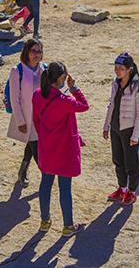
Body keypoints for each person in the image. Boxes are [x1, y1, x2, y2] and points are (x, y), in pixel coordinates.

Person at [32, 61, 89, 237]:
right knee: (65, 188)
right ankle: (68, 226)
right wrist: (74, 88)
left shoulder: (37, 94)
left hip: (47, 147)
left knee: (45, 183)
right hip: (64, 150)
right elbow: (84, 105)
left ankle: (44, 220)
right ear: (62, 78)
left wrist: (44, 137)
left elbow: (36, 121)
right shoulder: (64, 101)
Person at [103, 53, 139, 206]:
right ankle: (122, 188)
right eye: (116, 67)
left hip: (129, 131)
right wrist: (106, 126)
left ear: (130, 69)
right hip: (116, 128)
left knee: (131, 163)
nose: (117, 71)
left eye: (120, 68)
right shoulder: (115, 83)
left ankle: (132, 191)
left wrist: (136, 135)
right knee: (118, 160)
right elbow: (111, 106)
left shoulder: (138, 87)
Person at [7, 39, 46, 188]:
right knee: (35, 146)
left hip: (41, 116)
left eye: (39, 51)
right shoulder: (17, 70)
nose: (36, 55)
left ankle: (22, 171)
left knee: (32, 143)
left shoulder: (44, 68)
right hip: (27, 117)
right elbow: (14, 98)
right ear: (26, 52)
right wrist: (20, 121)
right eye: (33, 51)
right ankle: (46, 176)